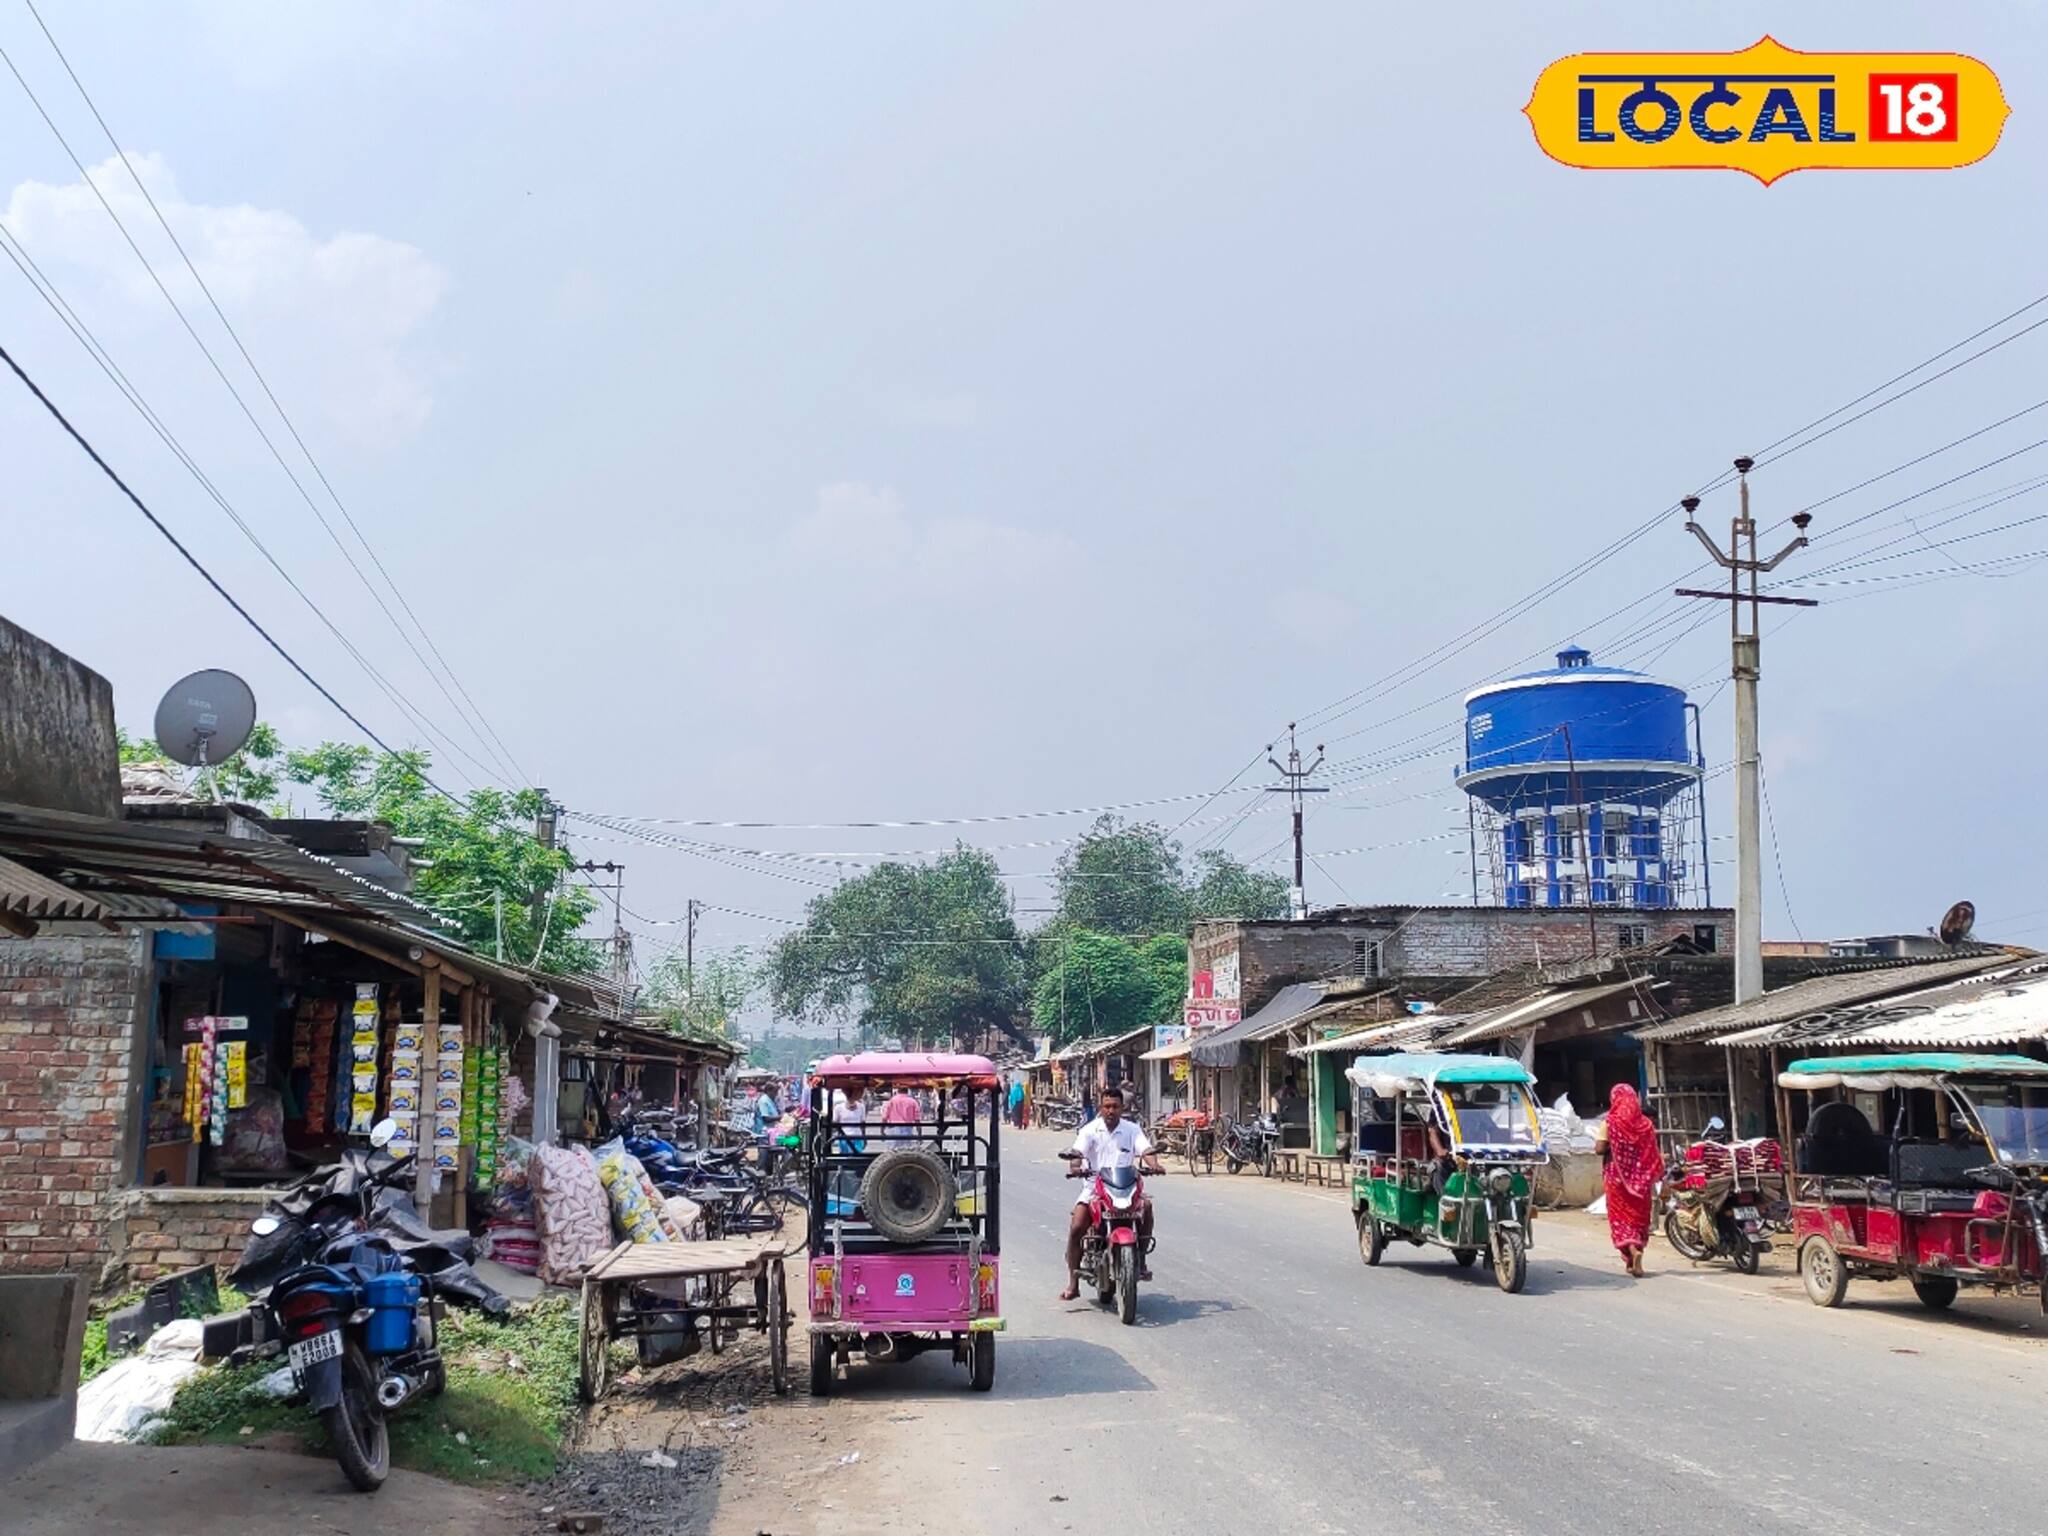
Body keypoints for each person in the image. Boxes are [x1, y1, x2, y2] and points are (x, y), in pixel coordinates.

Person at [1060, 1085, 1163, 1300]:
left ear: (1122, 1108)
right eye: (1107, 1106)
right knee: (1077, 1226)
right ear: (1101, 1107)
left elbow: (1145, 1149)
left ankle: (1141, 1258)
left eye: (1115, 1106)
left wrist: (1154, 1164)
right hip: (1095, 1189)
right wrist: (1075, 1166)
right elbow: (1078, 1151)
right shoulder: (1089, 1130)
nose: (1111, 1110)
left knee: (1148, 1207)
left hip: (1126, 1187)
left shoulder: (1132, 1129)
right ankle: (1073, 1281)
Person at [1598, 1083, 1664, 1277]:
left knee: (1620, 1218)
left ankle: (1631, 1252)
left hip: (1616, 1178)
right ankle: (1637, 1251)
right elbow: (1653, 1152)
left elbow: (1600, 1149)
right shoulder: (1646, 1125)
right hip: (1641, 1180)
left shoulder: (1610, 1122)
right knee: (1638, 1218)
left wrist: (1616, 1148)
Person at [830, 1078, 870, 1152]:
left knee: (856, 1159)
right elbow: (835, 1124)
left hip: (857, 1137)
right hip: (844, 1138)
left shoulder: (861, 1106)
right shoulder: (838, 1108)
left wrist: (864, 1137)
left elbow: (862, 1124)